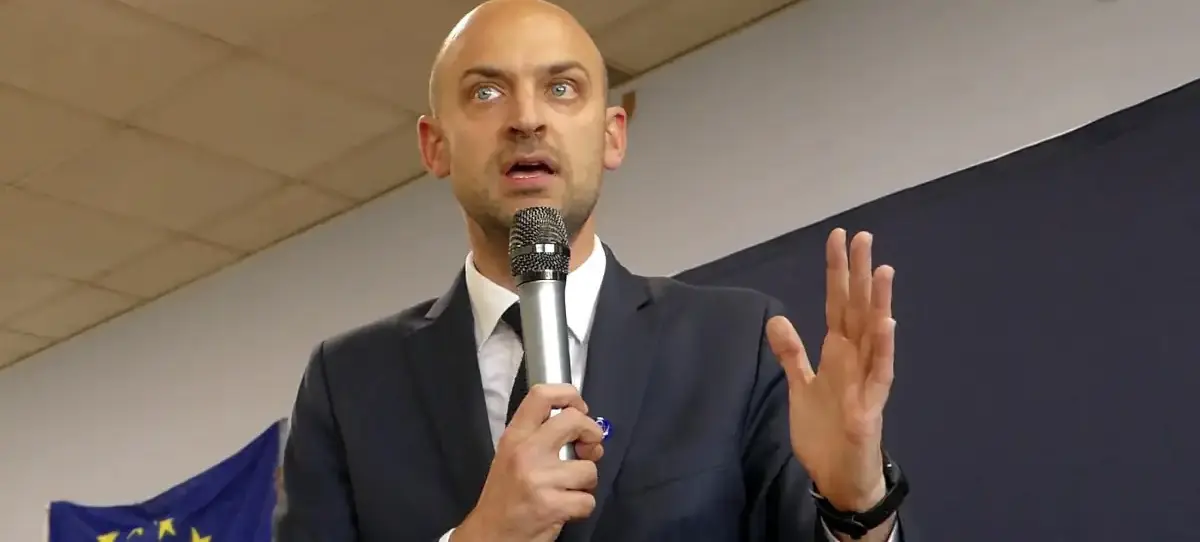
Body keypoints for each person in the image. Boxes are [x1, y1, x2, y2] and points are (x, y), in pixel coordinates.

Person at [276, 0, 913, 540]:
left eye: (561, 88)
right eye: (486, 92)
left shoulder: (735, 344)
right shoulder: (349, 384)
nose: (526, 119)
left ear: (612, 135)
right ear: (434, 145)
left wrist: (857, 505)